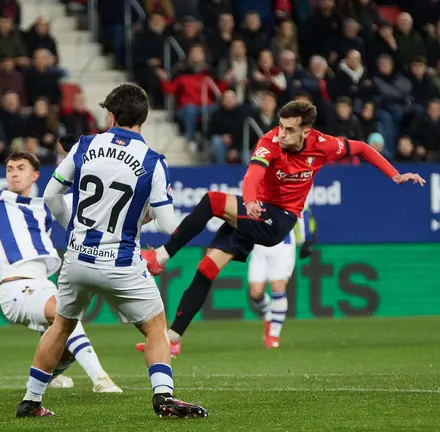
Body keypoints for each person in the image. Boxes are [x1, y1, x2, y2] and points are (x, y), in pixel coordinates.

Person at [135, 100, 425, 356]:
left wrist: (395, 175)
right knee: (206, 268)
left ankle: (161, 257)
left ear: (306, 132)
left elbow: (361, 148)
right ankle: (173, 337)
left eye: (289, 130)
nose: (281, 133)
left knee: (212, 201)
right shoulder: (270, 142)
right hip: (256, 211)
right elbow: (252, 175)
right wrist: (248, 201)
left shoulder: (323, 145)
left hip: (280, 220)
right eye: (280, 126)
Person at [15, 84, 208, 419]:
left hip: (76, 258)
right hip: (120, 263)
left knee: (61, 325)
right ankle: (163, 397)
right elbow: (166, 225)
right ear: (143, 118)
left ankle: (31, 401)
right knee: (155, 328)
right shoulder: (152, 162)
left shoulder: (85, 146)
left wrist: (73, 230)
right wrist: (149, 209)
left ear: (110, 115)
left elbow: (50, 197)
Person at [0, 134, 122, 393]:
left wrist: (80, 151)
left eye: (21, 169)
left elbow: (95, 196)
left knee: (67, 343)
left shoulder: (45, 206)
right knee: (65, 313)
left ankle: (51, 375)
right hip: (15, 288)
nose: (14, 174)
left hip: (44, 285)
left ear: (35, 176)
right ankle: (101, 380)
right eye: (10, 169)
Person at [247, 204, 316, 348]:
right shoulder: (255, 191)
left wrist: (307, 240)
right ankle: (269, 317)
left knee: (278, 287)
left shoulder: (287, 190)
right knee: (255, 293)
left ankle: (273, 335)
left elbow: (303, 211)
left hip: (283, 245)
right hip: (259, 246)